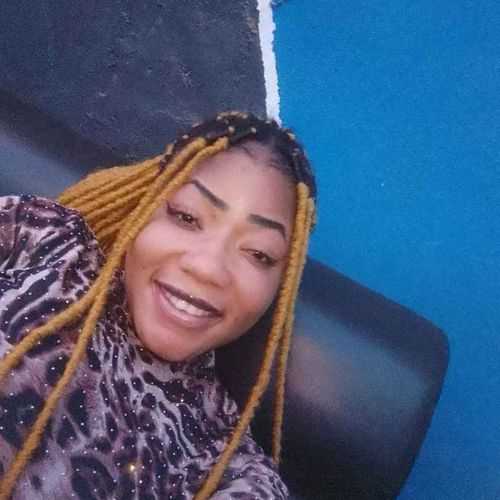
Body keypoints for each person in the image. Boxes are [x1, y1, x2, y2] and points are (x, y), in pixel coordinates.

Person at [0, 111, 316, 499]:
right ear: (145, 205)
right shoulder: (43, 239)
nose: (207, 267)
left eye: (259, 254)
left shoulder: (226, 465)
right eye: (186, 217)